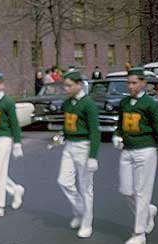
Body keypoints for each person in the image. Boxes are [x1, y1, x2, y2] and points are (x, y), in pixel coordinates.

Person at [112, 67, 158, 244]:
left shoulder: (150, 104)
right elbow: (120, 125)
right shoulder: (125, 103)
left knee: (142, 192)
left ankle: (139, 233)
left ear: (143, 83)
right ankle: (148, 211)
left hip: (146, 151)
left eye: (134, 82)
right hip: (127, 150)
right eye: (128, 83)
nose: (130, 86)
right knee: (126, 190)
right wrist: (116, 135)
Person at [57, 69, 100, 238]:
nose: (66, 89)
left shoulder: (88, 104)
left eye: (69, 86)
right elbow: (68, 125)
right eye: (64, 85)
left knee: (85, 187)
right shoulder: (68, 103)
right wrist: (61, 135)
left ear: (79, 85)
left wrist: (92, 156)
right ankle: (81, 211)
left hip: (84, 147)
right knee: (63, 181)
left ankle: (87, 222)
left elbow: (95, 131)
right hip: (69, 146)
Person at [0, 72, 25, 220]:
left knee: (0, 173)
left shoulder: (8, 102)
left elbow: (14, 123)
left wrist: (17, 143)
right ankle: (15, 190)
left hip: (4, 139)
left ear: (2, 85)